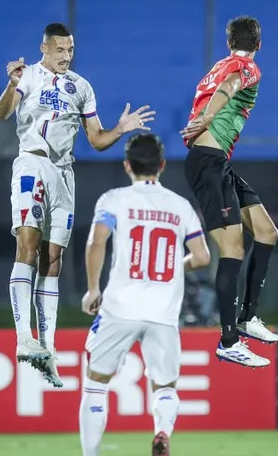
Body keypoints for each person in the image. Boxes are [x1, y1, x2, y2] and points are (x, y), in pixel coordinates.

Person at [0, 23, 156, 387]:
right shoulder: (28, 77)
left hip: (64, 174)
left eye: (70, 50)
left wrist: (120, 128)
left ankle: (47, 350)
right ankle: (24, 337)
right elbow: (2, 114)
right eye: (60, 50)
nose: (67, 56)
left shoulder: (81, 87)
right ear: (44, 48)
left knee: (54, 258)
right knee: (28, 244)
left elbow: (97, 140)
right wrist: (10, 85)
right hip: (31, 164)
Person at [79, 133, 211, 456]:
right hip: (163, 312)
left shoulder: (113, 199)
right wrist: (177, 267)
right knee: (164, 387)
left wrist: (93, 288)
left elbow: (97, 241)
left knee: (96, 381)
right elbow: (203, 256)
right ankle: (162, 432)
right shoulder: (181, 207)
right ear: (162, 166)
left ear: (127, 166)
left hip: (120, 307)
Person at [178, 15, 278, 368]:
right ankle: (228, 340)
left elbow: (217, 86)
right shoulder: (247, 67)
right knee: (232, 249)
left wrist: (202, 121)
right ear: (260, 44)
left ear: (228, 41)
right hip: (209, 163)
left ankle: (248, 318)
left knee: (267, 232)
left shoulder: (218, 64)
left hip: (214, 161)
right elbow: (230, 87)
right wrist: (208, 118)